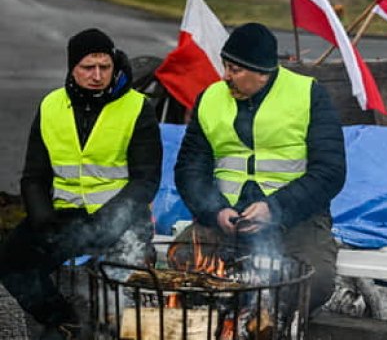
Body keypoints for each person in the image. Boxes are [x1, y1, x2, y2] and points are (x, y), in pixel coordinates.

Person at [0, 28, 162, 340]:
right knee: (12, 262)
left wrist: (105, 225)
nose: (98, 75)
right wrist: (43, 219)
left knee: (113, 298)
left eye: (105, 67)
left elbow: (146, 180)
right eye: (88, 67)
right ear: (72, 68)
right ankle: (64, 322)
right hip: (65, 217)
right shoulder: (51, 106)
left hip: (119, 221)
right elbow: (34, 175)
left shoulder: (137, 107)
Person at [175, 22, 346, 313]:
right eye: (225, 66)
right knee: (180, 258)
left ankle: (257, 319)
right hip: (227, 220)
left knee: (313, 281)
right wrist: (216, 210)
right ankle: (229, 318)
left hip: (294, 219)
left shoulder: (308, 95)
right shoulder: (210, 99)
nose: (226, 76)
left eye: (235, 70)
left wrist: (274, 208)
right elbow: (189, 170)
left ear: (262, 72)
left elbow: (330, 171)